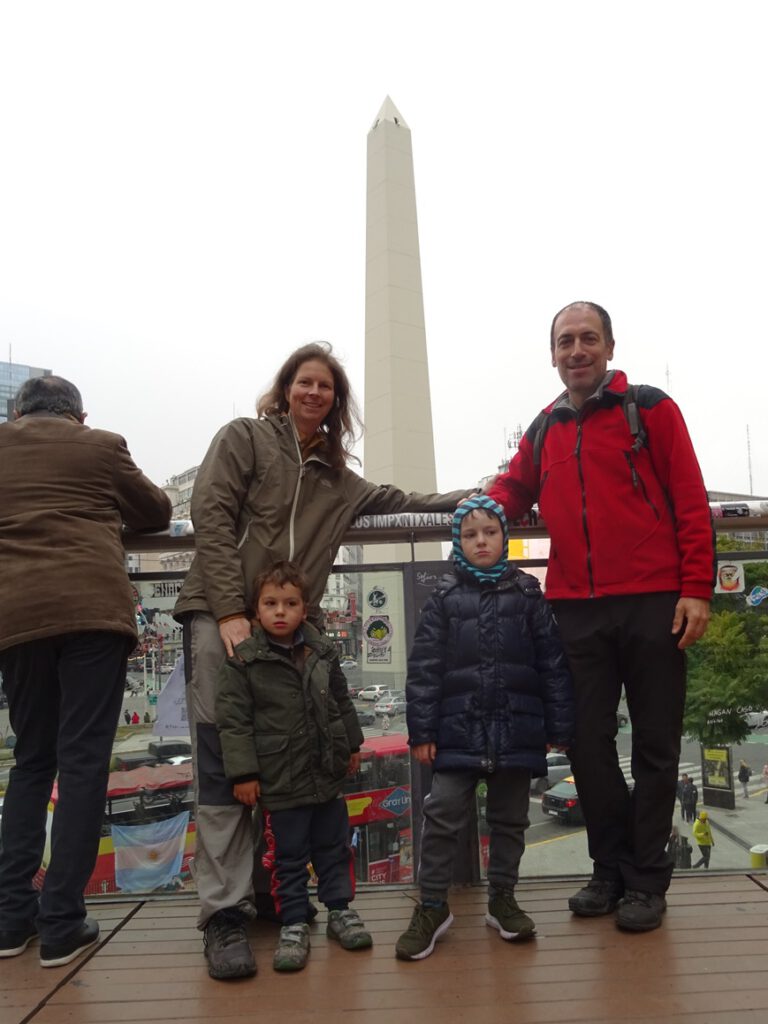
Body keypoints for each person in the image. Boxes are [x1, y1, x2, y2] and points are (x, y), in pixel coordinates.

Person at [173, 341, 471, 980]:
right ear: (285, 389)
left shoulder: (341, 480)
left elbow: (404, 501)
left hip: (291, 630)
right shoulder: (245, 439)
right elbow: (212, 514)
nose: (314, 394)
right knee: (225, 760)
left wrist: (483, 498)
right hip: (221, 619)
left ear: (336, 403)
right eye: (305, 383)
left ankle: (265, 897)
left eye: (326, 388)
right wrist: (230, 608)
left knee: (284, 758)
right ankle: (223, 916)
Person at [487, 301, 714, 933]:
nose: (576, 350)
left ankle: (646, 879)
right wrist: (484, 505)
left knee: (657, 747)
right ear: (553, 355)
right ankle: (608, 868)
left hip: (653, 601)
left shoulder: (651, 409)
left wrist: (696, 588)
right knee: (586, 745)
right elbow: (514, 487)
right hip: (576, 609)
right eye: (565, 341)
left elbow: (691, 501)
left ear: (610, 347)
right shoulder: (545, 427)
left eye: (588, 338)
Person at [0, 376, 170, 967]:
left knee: (31, 760)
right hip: (91, 613)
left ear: (18, 411)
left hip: (15, 618)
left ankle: (9, 919)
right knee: (81, 764)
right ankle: (61, 923)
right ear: (79, 415)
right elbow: (156, 510)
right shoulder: (101, 445)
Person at [394, 496, 575, 960]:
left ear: (505, 538)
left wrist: (557, 723)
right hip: (459, 729)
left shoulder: (529, 596)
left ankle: (503, 897)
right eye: (470, 534)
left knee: (511, 818)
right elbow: (425, 670)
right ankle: (433, 904)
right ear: (458, 542)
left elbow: (552, 664)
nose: (481, 541)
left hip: (517, 727)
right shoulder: (445, 600)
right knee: (442, 814)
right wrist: (422, 731)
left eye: (490, 532)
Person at [215, 561, 371, 973]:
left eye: (290, 603)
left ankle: (340, 911)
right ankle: (294, 923)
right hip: (280, 780)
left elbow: (340, 700)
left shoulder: (322, 651)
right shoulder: (245, 662)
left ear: (304, 610)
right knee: (287, 857)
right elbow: (234, 723)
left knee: (334, 848)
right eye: (270, 603)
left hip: (326, 775)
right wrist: (244, 774)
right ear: (255, 612)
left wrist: (352, 743)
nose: (280, 611)